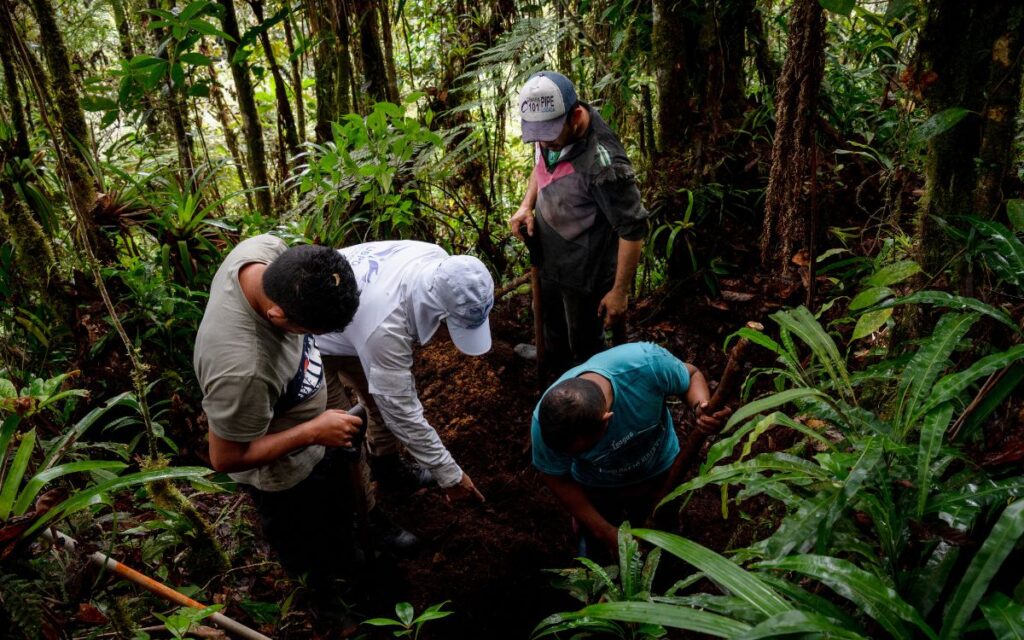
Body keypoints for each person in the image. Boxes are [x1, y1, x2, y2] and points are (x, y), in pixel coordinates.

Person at [193, 234, 367, 603]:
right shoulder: (244, 370)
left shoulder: (265, 251)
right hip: (287, 481)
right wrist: (311, 432)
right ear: (277, 316)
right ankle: (332, 604)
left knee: (339, 519)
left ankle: (353, 556)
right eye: (312, 333)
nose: (315, 340)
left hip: (317, 442)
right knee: (311, 550)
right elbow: (225, 458)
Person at [316, 240, 492, 503]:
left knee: (377, 402)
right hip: (311, 337)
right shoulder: (386, 328)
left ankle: (387, 469)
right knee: (342, 433)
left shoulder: (435, 259)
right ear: (438, 311)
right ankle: (365, 512)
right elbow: (401, 411)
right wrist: (450, 476)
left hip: (354, 325)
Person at [530, 342, 731, 559]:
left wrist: (700, 407)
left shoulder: (646, 366)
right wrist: (605, 532)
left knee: (665, 530)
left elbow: (691, 375)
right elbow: (555, 476)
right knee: (596, 552)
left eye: (583, 449)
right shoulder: (546, 423)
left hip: (659, 472)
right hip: (597, 488)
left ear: (606, 420)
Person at [509, 70, 651, 374]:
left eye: (550, 136)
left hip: (587, 269)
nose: (544, 143)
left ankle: (587, 390)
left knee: (585, 342)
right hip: (548, 253)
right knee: (550, 320)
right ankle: (551, 359)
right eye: (539, 136)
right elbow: (541, 165)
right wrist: (526, 205)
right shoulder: (550, 129)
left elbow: (633, 228)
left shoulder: (603, 164)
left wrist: (620, 292)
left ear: (575, 116)